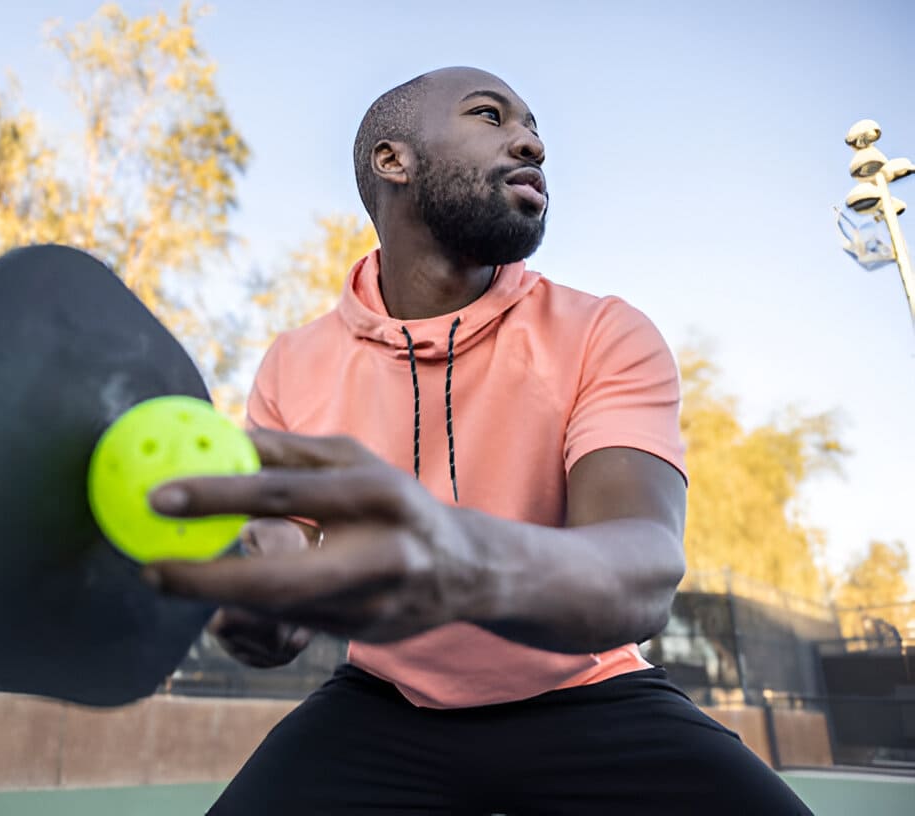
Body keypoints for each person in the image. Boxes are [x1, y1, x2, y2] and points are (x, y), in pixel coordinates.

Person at [143, 66, 812, 815]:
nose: (530, 143)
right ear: (392, 160)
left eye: (535, 130)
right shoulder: (292, 364)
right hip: (385, 702)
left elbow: (644, 569)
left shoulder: (604, 332)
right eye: (491, 116)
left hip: (585, 695)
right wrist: (272, 603)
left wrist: (455, 558)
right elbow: (284, 549)